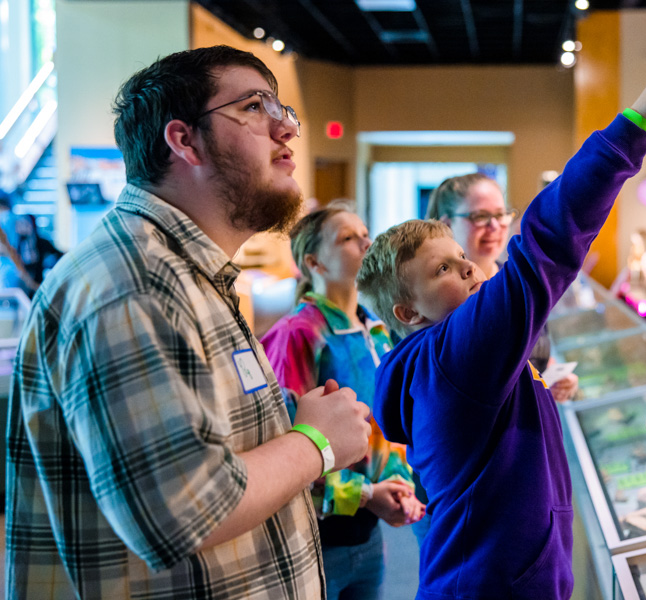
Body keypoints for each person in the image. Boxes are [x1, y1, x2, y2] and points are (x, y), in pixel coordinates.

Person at [6, 45, 372, 599]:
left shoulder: (189, 274)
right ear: (183, 140)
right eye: (254, 107)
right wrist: (315, 441)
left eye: (282, 109)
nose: (285, 130)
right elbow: (185, 512)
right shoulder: (132, 282)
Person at [356, 37, 646, 600]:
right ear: (407, 311)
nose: (468, 269)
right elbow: (549, 242)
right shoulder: (451, 353)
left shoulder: (445, 357)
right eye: (444, 267)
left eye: (462, 259)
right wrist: (636, 121)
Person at [262, 204, 425, 599]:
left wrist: (397, 481)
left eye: (365, 233)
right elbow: (287, 442)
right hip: (318, 537)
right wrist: (366, 495)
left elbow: (388, 425)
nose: (366, 243)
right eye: (348, 238)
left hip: (367, 536)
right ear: (313, 261)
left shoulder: (379, 328)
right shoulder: (299, 333)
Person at [425, 174, 579, 402]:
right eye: (480, 216)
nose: (495, 226)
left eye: (500, 214)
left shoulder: (519, 281)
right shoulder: (438, 300)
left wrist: (555, 378)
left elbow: (535, 355)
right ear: (447, 224)